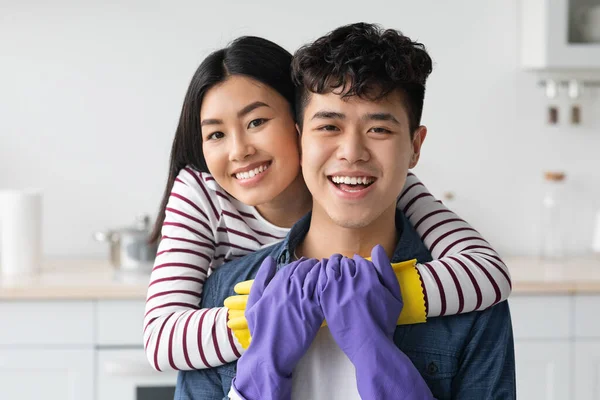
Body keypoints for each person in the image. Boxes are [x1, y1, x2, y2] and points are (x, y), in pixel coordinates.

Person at [174, 23, 516, 400]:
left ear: (415, 147)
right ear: (298, 138)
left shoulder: (471, 303)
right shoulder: (226, 293)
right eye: (329, 126)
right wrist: (259, 376)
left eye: (379, 130)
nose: (352, 152)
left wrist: (381, 363)